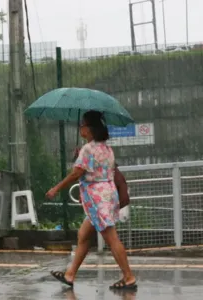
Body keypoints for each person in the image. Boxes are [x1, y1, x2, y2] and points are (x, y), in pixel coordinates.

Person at [46, 110, 137, 290]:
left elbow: (77, 173)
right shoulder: (106, 148)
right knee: (84, 236)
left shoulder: (88, 149)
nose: (80, 128)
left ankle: (129, 277)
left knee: (112, 239)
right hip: (108, 197)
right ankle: (70, 274)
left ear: (89, 128)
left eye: (82, 125)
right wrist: (80, 154)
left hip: (97, 201)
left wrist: (57, 188)